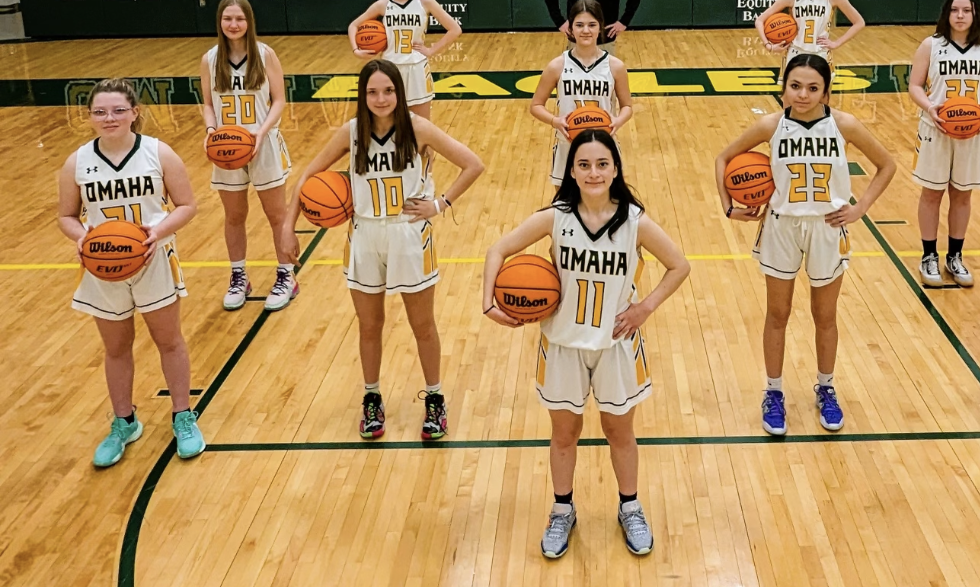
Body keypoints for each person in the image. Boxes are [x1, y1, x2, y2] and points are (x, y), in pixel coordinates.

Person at [483, 130, 690, 559]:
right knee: (564, 434)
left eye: (601, 164)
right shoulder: (554, 217)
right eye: (584, 165)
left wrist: (644, 308)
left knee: (620, 432)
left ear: (615, 168)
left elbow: (679, 265)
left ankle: (630, 506)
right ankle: (563, 510)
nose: (593, 172)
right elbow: (498, 249)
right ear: (571, 170)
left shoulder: (635, 221)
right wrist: (489, 303)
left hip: (615, 346)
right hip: (562, 345)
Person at [280, 59, 483, 441]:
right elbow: (306, 176)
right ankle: (371, 398)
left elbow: (473, 164)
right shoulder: (351, 132)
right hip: (365, 235)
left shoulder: (418, 128)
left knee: (422, 325)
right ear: (363, 95)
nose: (380, 98)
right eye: (372, 92)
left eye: (388, 90)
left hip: (408, 235)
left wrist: (439, 204)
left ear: (399, 92)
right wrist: (288, 228)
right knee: (370, 325)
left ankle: (435, 399)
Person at [715, 54, 895, 436]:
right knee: (777, 313)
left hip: (827, 228)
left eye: (813, 88)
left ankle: (826, 388)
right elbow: (723, 158)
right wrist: (729, 206)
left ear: (826, 91)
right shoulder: (771, 124)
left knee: (824, 315)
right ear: (783, 87)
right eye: (795, 86)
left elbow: (887, 164)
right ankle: (775, 392)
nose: (803, 94)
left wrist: (860, 207)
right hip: (782, 227)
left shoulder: (843, 124)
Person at [58, 78, 204, 467]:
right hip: (103, 266)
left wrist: (157, 231)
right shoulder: (78, 161)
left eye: (119, 110)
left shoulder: (159, 152)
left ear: (135, 113)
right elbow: (66, 216)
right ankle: (124, 422)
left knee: (169, 340)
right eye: (101, 111)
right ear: (89, 117)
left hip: (153, 259)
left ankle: (183, 415)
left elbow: (187, 205)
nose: (110, 118)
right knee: (116, 347)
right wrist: (81, 238)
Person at [200, 0, 297, 312]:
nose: (233, 24)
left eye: (239, 19)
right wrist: (211, 131)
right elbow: (208, 104)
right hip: (227, 148)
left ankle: (287, 275)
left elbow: (280, 100)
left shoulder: (265, 54)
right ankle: (239, 276)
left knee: (276, 215)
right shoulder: (210, 59)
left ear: (249, 22)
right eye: (227, 19)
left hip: (263, 143)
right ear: (219, 22)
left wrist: (261, 130)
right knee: (234, 216)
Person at [908, 0, 980, 288]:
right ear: (946, 14)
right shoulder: (931, 45)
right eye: (955, 10)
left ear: (975, 14)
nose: (960, 16)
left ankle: (955, 255)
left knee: (963, 195)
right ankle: (928, 256)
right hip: (935, 128)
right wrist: (930, 107)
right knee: (932, 192)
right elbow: (914, 85)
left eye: (966, 10)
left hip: (974, 131)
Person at [530, 0, 634, 186]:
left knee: (606, 210)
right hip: (568, 145)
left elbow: (627, 106)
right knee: (566, 210)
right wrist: (555, 121)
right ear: (571, 28)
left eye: (592, 25)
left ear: (600, 27)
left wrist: (618, 121)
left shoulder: (615, 66)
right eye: (579, 25)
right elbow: (536, 105)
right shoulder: (557, 66)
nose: (586, 30)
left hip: (604, 146)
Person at [348, 0, 462, 120]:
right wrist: (357, 51)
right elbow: (353, 25)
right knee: (389, 124)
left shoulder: (425, 1)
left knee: (421, 126)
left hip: (416, 68)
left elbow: (455, 29)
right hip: (389, 68)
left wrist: (431, 50)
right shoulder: (383, 4)